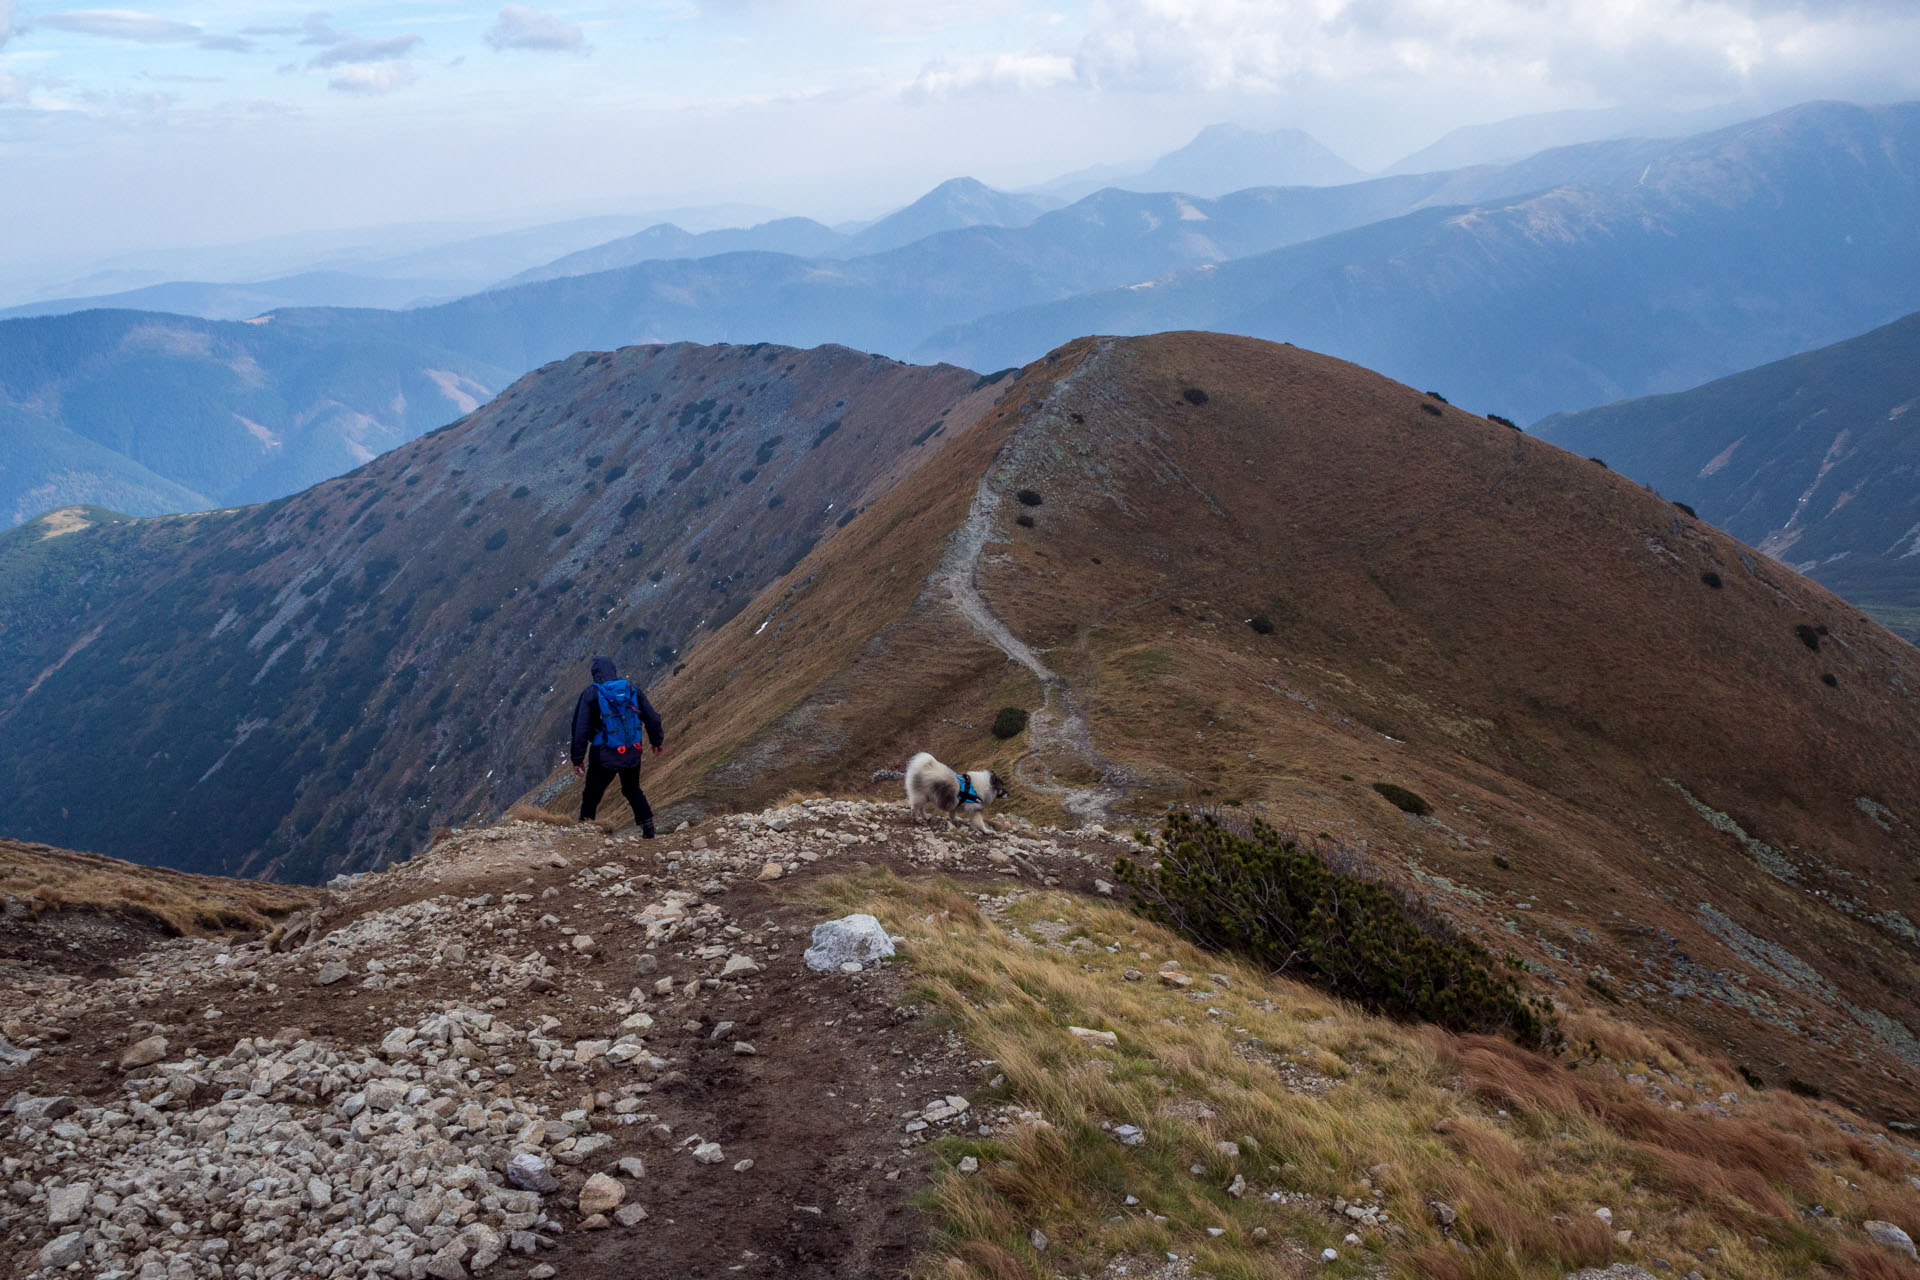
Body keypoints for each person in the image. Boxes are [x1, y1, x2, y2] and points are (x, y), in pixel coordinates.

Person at [570, 654, 664, 836]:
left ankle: (583, 833)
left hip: (603, 754)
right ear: (613, 669)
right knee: (632, 788)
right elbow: (652, 718)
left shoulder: (591, 694)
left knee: (592, 794)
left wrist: (577, 758)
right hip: (632, 751)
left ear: (594, 673)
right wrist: (656, 741)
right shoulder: (631, 690)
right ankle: (648, 827)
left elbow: (580, 728)